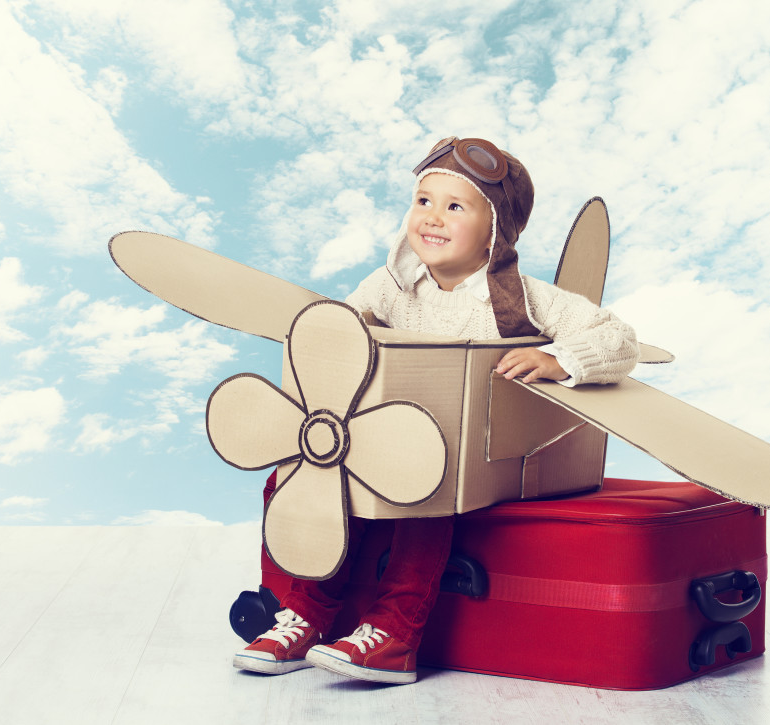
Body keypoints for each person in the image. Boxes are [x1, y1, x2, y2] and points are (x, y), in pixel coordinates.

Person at [232, 136, 639, 684]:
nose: (432, 218)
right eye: (423, 201)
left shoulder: (524, 298)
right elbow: (337, 335)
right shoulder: (392, 286)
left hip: (479, 458)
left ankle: (395, 632)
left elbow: (619, 339)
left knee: (425, 482)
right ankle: (307, 612)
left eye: (455, 207)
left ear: (493, 231)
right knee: (315, 468)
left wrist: (558, 357)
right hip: (384, 441)